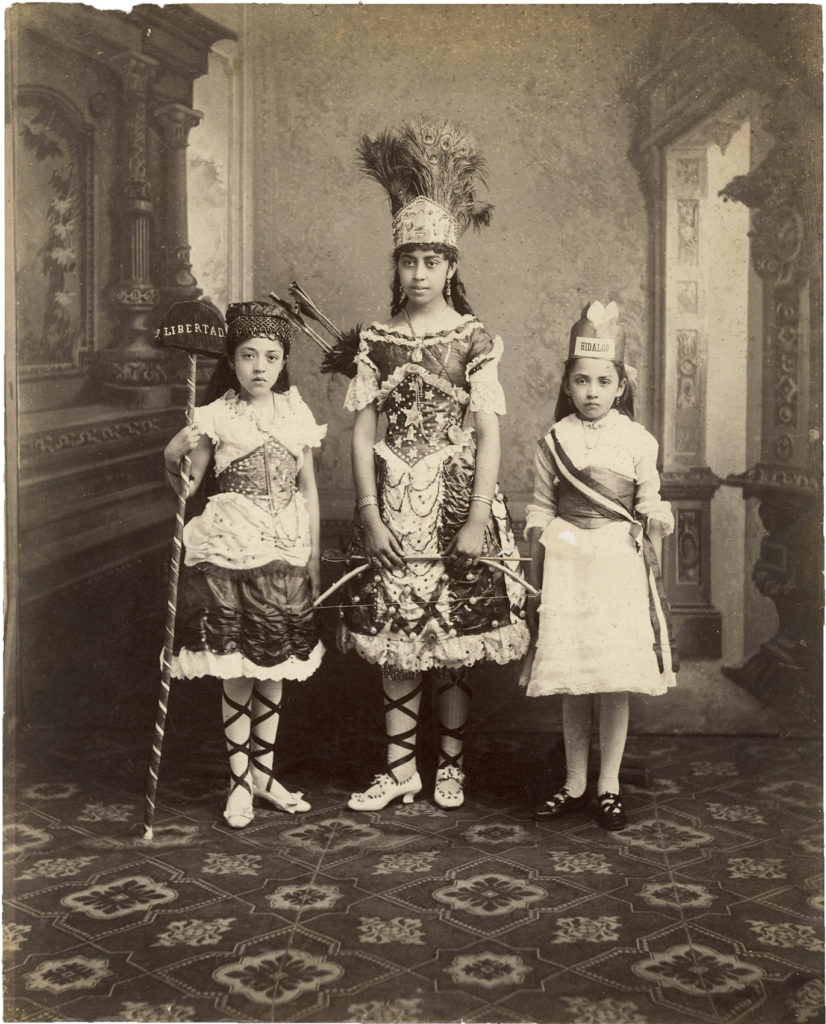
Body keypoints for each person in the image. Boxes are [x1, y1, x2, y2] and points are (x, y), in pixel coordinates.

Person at [338, 120, 531, 812]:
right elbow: (362, 435)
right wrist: (368, 511)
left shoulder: (473, 340)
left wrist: (478, 514)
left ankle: (449, 765)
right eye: (408, 260)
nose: (418, 272)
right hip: (395, 503)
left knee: (451, 641)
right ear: (396, 265)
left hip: (455, 502)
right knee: (397, 638)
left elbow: (489, 433)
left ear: (452, 266)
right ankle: (399, 769)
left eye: (431, 260)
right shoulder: (378, 341)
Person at [163, 301, 326, 829]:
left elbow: (310, 490)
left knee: (274, 668)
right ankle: (238, 783)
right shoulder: (215, 416)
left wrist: (314, 558)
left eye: (271, 357)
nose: (260, 366)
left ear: (283, 362)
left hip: (285, 552)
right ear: (231, 361)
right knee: (236, 668)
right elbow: (189, 490)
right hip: (232, 548)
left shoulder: (297, 414)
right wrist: (171, 458)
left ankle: (264, 775)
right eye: (249, 355)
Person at [523, 300, 678, 830]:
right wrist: (541, 543)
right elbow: (543, 506)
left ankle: (608, 784)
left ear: (621, 386)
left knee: (610, 677)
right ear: (567, 385)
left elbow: (649, 498)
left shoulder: (637, 439)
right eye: (582, 380)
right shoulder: (554, 441)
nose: (592, 391)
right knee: (574, 676)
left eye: (603, 381)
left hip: (615, 560)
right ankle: (573, 782)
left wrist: (657, 518)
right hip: (568, 560)